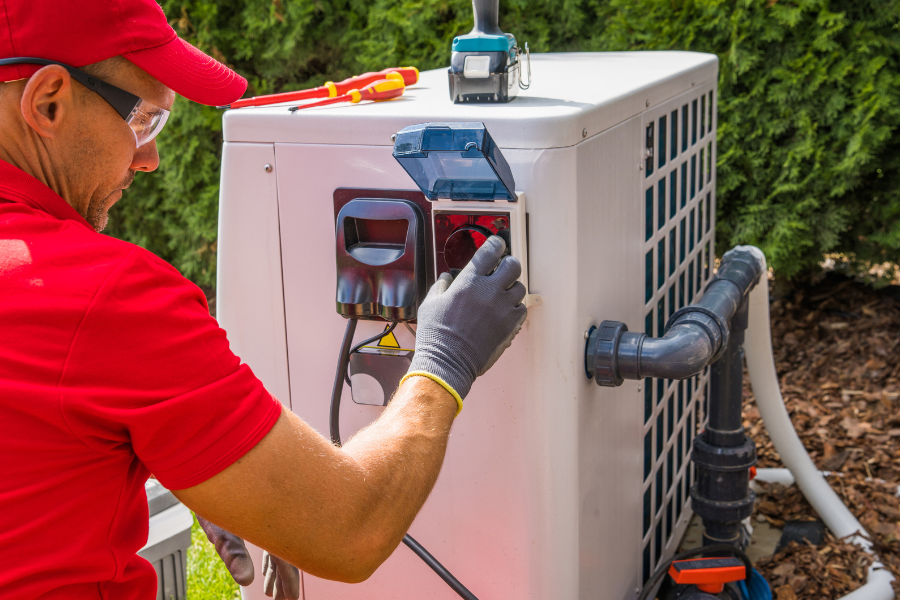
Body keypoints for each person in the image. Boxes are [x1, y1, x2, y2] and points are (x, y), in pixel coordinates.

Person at [0, 1, 528, 599]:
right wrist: (443, 362)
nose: (148, 160)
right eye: (143, 119)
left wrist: (186, 453)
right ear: (48, 102)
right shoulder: (106, 297)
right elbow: (349, 528)